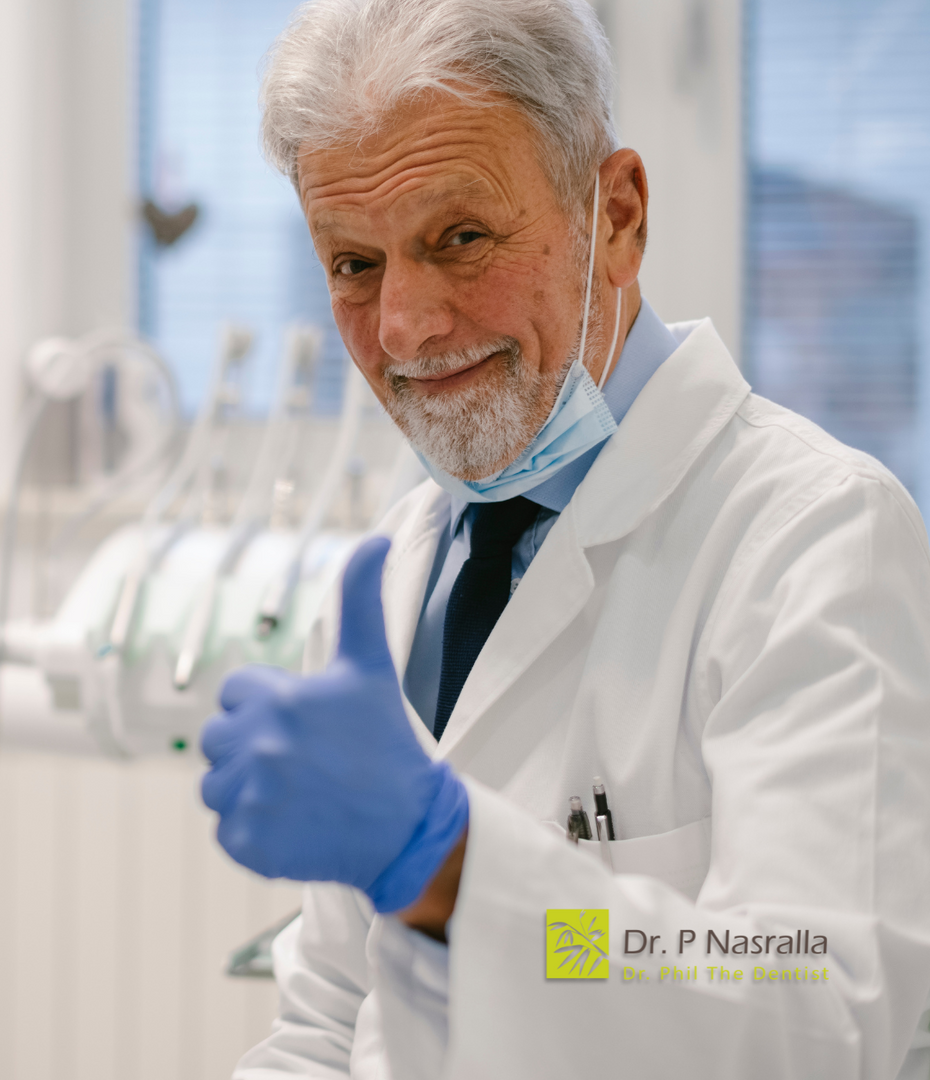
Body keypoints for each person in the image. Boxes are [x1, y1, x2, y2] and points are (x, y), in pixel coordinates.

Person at [196, 0, 930, 1077]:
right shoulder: (393, 578)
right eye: (354, 264)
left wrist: (452, 865)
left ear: (619, 216)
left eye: (461, 238)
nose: (403, 325)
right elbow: (324, 1029)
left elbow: (817, 1019)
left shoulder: (812, 537)